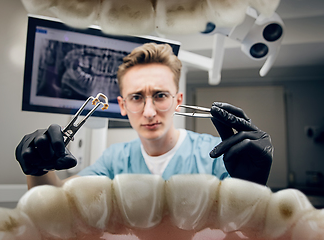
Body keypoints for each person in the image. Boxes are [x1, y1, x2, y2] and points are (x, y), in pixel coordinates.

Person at [15, 43, 273, 189]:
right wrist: (39, 169)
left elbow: (247, 228)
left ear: (178, 101)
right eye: (137, 97)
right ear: (122, 106)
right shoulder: (115, 160)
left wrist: (253, 189)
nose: (149, 112)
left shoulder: (217, 155)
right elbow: (58, 203)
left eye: (160, 95)